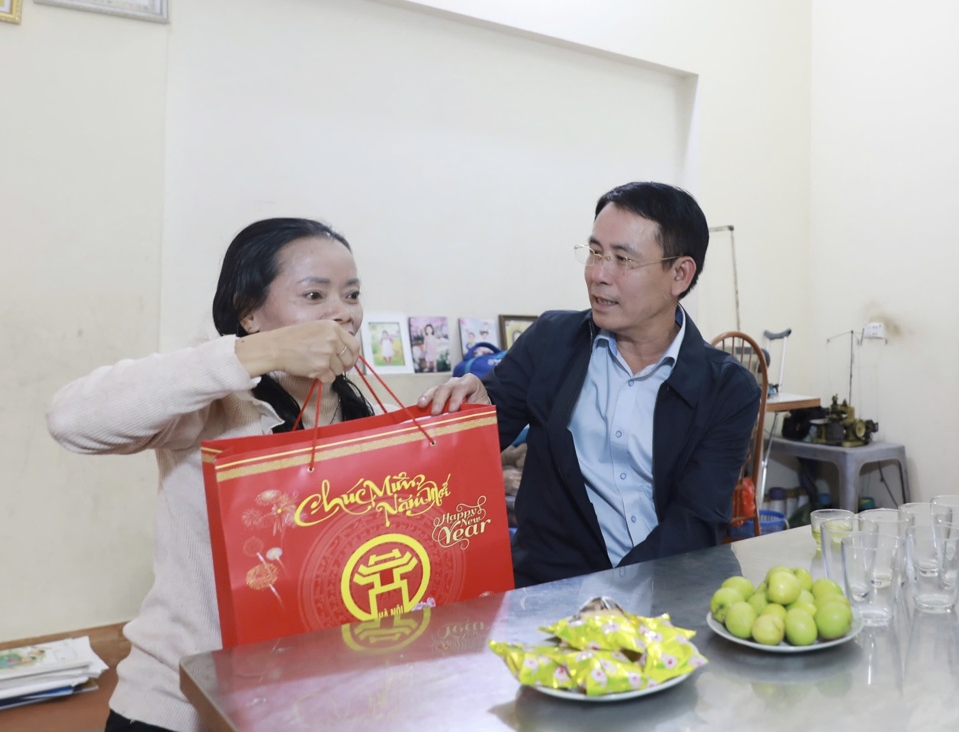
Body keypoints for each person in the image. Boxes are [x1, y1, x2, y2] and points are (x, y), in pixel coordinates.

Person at [46, 218, 374, 732]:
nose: (342, 314)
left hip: (306, 700)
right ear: (249, 313)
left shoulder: (358, 409)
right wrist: (256, 355)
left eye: (352, 295)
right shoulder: (214, 403)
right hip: (181, 704)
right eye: (314, 295)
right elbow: (70, 421)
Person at [419, 182, 760, 587]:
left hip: (663, 594)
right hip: (551, 593)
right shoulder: (551, 341)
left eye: (622, 259)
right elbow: (465, 450)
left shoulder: (727, 389)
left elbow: (695, 523)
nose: (599, 275)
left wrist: (616, 602)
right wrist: (471, 412)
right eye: (595, 252)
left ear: (680, 274)